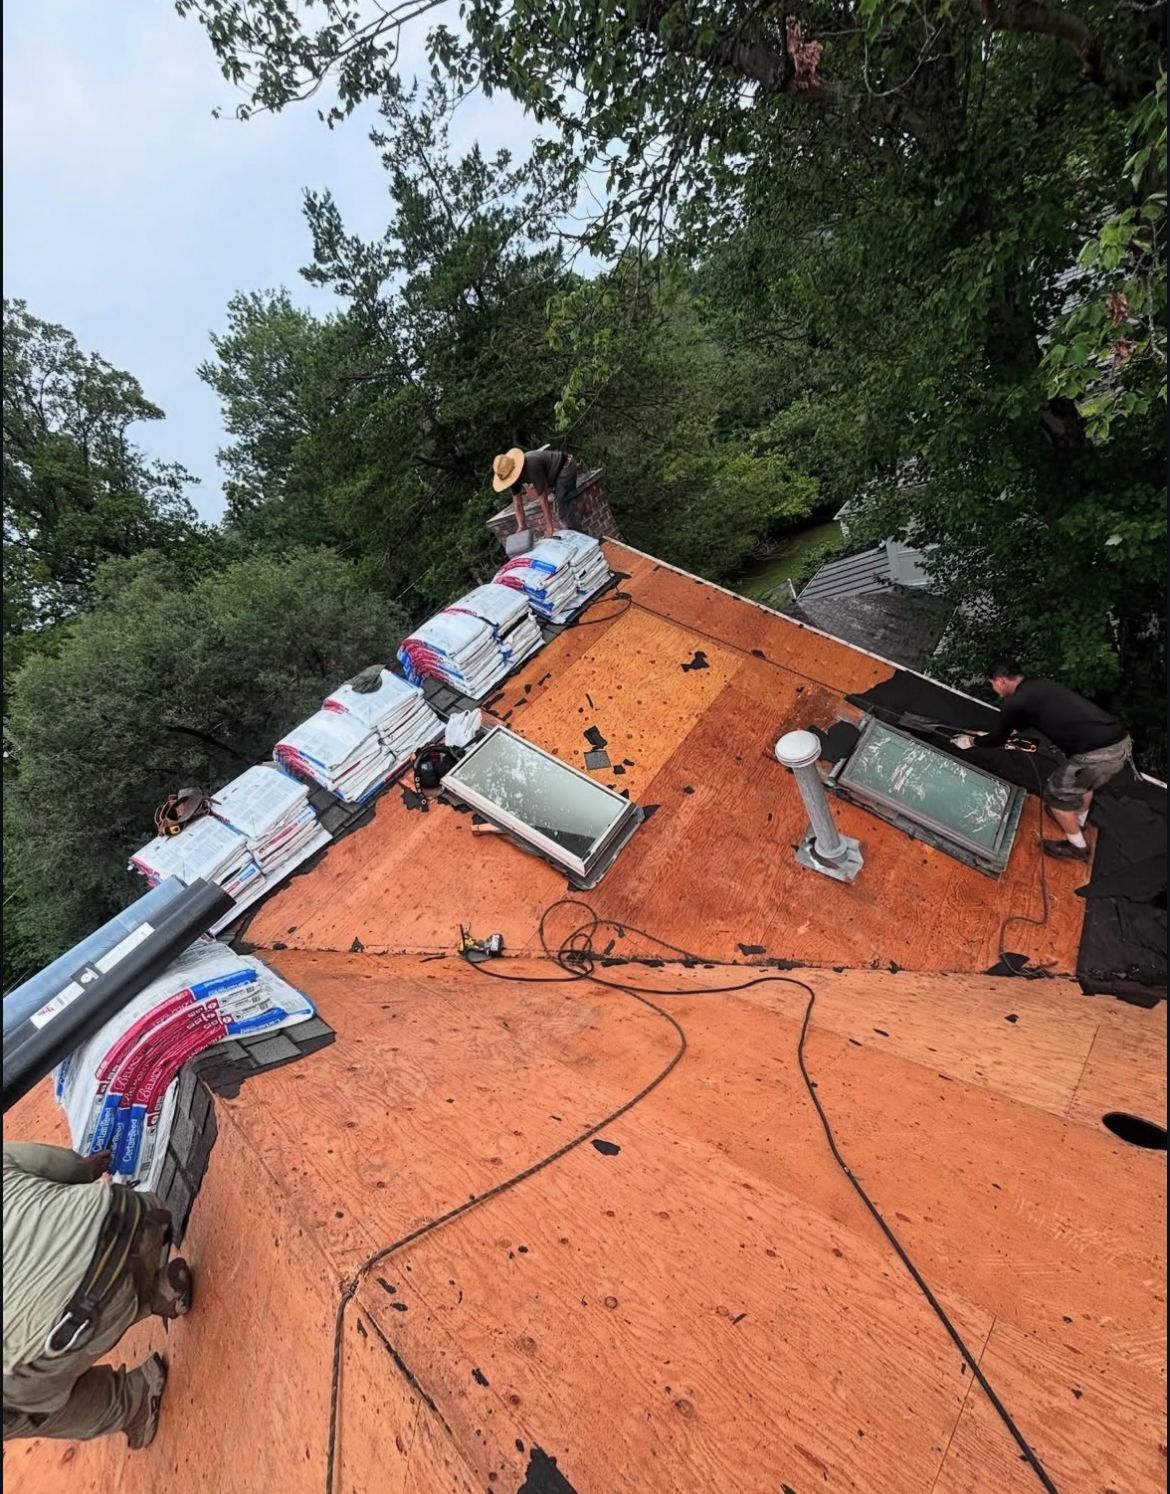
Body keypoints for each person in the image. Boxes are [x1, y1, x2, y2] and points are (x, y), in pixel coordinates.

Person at [3, 1141, 194, 1450]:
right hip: (140, 1218)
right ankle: (158, 1292)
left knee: (11, 1408)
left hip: (91, 1309)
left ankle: (133, 1401)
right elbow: (72, 1167)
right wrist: (87, 1168)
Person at [954, 661, 1133, 862]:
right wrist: (1008, 730)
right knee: (1085, 783)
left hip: (1097, 755)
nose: (994, 690)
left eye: (992, 684)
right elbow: (1027, 720)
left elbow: (998, 739)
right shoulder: (1041, 686)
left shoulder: (1014, 703)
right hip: (1119, 742)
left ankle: (1078, 847)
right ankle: (1079, 822)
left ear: (1001, 680)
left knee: (1056, 797)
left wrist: (971, 741)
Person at [491, 447, 579, 538]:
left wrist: (549, 527)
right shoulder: (512, 480)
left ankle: (581, 539)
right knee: (560, 509)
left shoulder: (531, 464)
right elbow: (517, 504)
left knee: (562, 509)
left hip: (565, 466)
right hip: (553, 475)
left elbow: (543, 499)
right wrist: (521, 525)